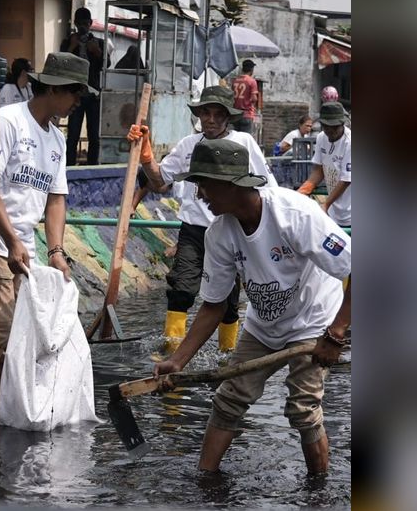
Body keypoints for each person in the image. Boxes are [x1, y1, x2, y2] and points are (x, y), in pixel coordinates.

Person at [143, 137, 352, 474]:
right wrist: (177, 360)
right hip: (263, 326)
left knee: (302, 408)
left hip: (314, 323)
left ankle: (319, 494)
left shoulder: (295, 214)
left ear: (231, 185)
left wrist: (336, 333)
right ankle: (205, 482)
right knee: (228, 400)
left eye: (204, 186)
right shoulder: (219, 233)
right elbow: (213, 305)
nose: (199, 195)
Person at [128, 85, 278, 353]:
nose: (210, 119)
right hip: (194, 232)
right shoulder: (189, 145)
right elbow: (161, 180)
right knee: (181, 289)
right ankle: (172, 352)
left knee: (229, 301)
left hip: (231, 230)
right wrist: (146, 156)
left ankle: (226, 354)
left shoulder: (243, 143)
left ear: (227, 117)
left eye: (217, 114)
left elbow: (268, 188)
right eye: (205, 113)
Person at [0, 52, 93, 378]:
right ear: (53, 89)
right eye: (75, 92)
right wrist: (10, 239)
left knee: (20, 343)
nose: (78, 102)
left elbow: (55, 199)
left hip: (25, 255)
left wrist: (55, 251)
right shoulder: (7, 121)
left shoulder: (56, 139)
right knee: (1, 338)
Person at [60, 8, 104, 165]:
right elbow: (61, 64)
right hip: (74, 95)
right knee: (72, 135)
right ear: (76, 24)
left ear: (91, 24)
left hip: (92, 95)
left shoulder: (99, 42)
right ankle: (69, 167)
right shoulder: (69, 41)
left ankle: (93, 166)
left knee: (94, 135)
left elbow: (106, 65)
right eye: (80, 24)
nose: (83, 27)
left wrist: (97, 52)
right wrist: (71, 47)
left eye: (86, 23)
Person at [296, 102, 351, 228]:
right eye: (326, 128)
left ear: (342, 124)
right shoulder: (321, 138)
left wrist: (326, 204)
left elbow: (346, 180)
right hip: (333, 212)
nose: (331, 132)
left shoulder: (350, 142)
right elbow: (319, 170)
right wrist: (303, 190)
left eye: (335, 128)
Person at [231, 59, 260, 134]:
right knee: (245, 139)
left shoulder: (235, 81)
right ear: (251, 70)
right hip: (247, 114)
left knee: (235, 139)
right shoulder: (252, 81)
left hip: (235, 114)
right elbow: (254, 98)